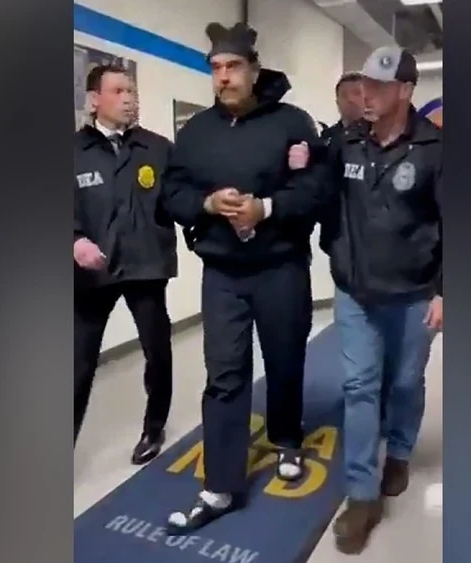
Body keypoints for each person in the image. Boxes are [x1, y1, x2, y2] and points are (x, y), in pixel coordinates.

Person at [158, 22, 330, 534]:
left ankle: (287, 439)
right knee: (224, 376)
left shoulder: (292, 123)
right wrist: (207, 204)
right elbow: (172, 194)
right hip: (223, 273)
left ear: (254, 70)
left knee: (284, 360)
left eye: (233, 67)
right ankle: (221, 485)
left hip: (281, 267)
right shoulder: (196, 132)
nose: (224, 77)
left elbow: (315, 190)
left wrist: (266, 208)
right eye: (216, 68)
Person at [317, 46, 444, 554]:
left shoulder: (435, 148)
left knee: (406, 382)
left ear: (406, 91)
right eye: (363, 84)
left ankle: (401, 453)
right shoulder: (346, 142)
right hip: (356, 291)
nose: (365, 94)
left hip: (415, 293)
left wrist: (446, 290)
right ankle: (362, 496)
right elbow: (317, 196)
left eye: (378, 86)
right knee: (360, 387)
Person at [74, 63, 177, 465]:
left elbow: (183, 197)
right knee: (78, 362)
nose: (129, 98)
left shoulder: (158, 148)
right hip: (92, 271)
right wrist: (74, 241)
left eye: (131, 90)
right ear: (94, 99)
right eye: (118, 91)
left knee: (158, 353)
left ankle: (154, 427)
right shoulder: (72, 151)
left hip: (145, 265)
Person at [321, 72, 365, 145]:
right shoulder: (327, 138)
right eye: (344, 95)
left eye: (356, 93)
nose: (350, 99)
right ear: (337, 102)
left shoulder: (379, 135)